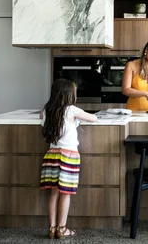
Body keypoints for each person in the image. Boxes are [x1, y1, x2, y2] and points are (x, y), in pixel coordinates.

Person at [39, 78, 97, 239]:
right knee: (65, 193)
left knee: (53, 193)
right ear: (69, 95)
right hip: (68, 156)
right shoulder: (71, 110)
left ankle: (52, 228)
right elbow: (94, 118)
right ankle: (62, 228)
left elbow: (42, 118)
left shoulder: (47, 110)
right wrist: (77, 119)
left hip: (51, 155)